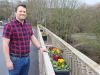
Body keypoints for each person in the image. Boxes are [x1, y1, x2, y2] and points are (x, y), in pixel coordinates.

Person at [2, 4, 47, 75]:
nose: (23, 13)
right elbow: (5, 45)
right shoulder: (9, 26)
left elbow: (32, 37)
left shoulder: (28, 25)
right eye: (20, 11)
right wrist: (8, 61)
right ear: (15, 12)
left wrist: (40, 47)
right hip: (15, 59)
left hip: (27, 58)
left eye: (24, 11)